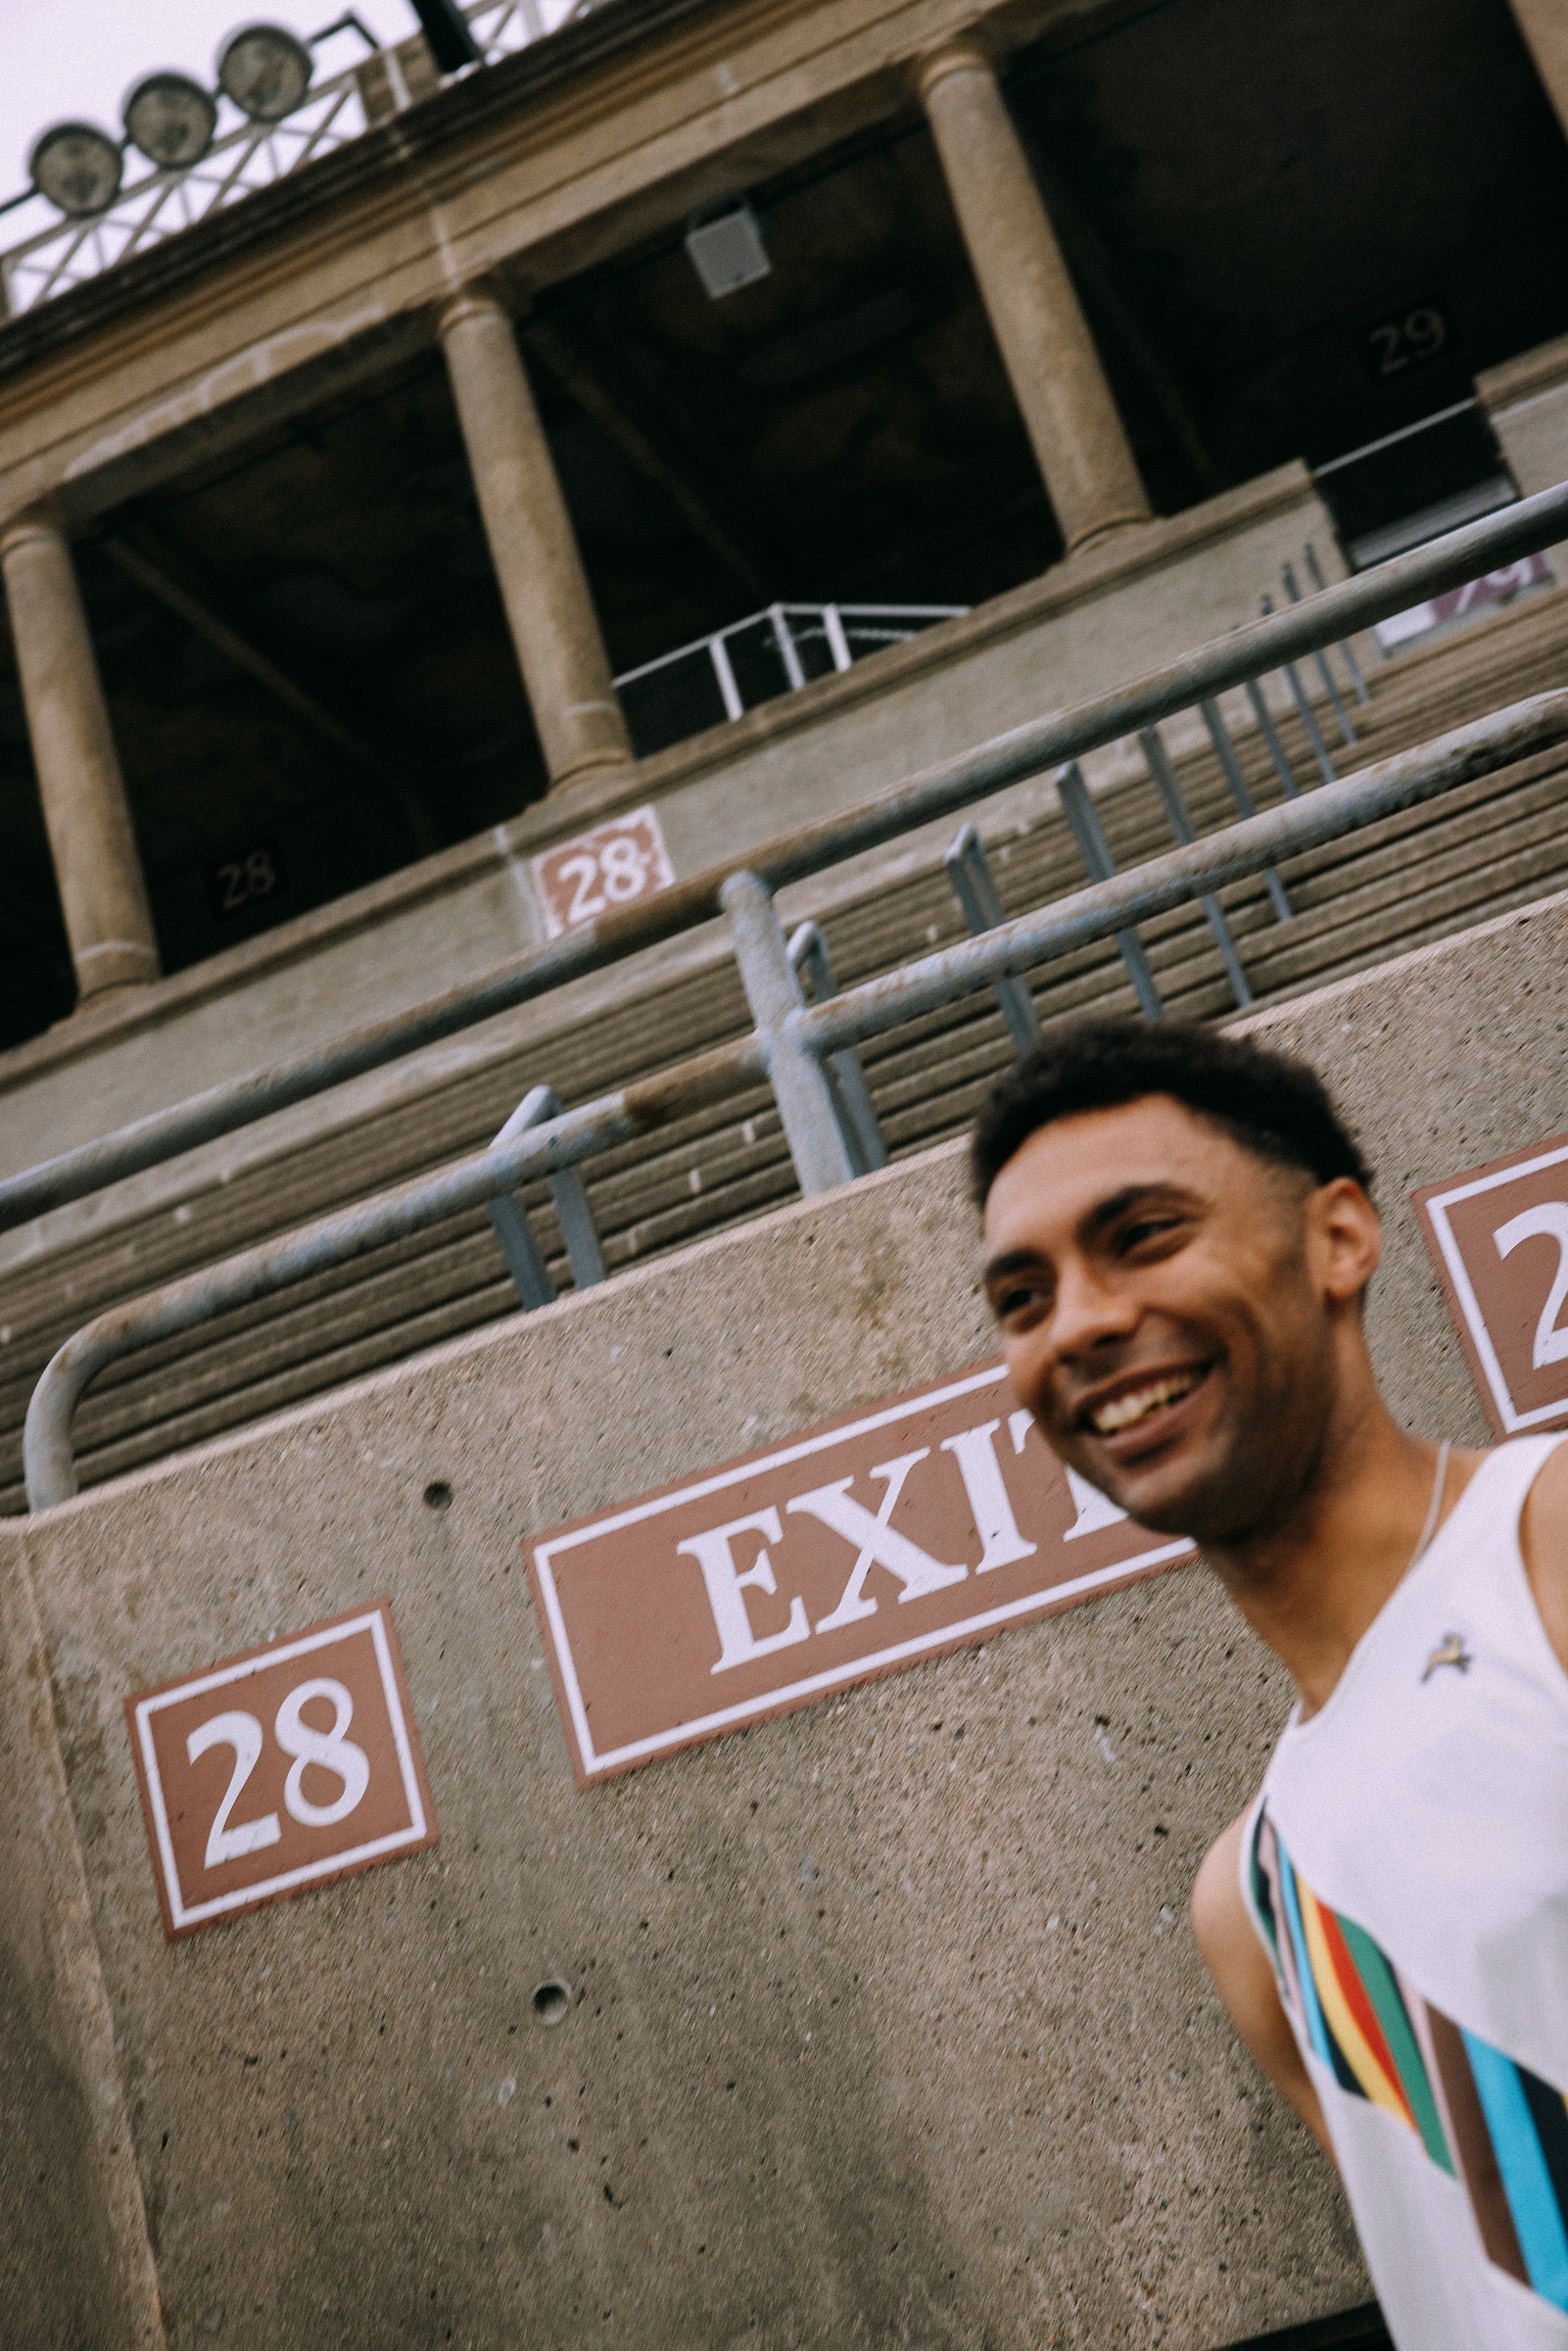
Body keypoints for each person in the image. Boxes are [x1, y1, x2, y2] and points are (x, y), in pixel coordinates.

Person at [971, 1014, 1568, 2350]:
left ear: (1337, 1239)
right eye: (1022, 1299)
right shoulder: (1250, 1904)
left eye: (1143, 1236)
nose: (1080, 1323)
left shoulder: (1549, 1543)